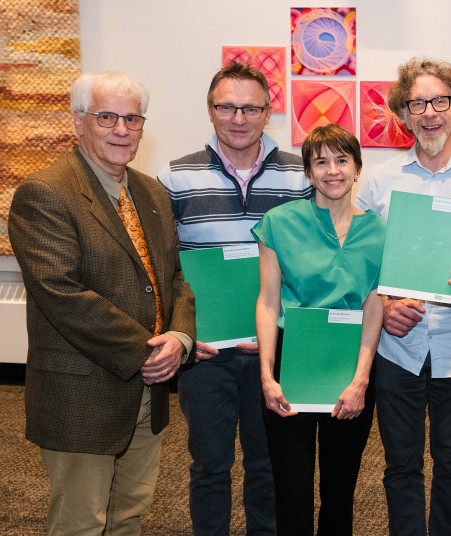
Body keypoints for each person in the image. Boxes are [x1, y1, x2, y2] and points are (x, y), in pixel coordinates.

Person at [8, 71, 196, 534]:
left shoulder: (150, 192)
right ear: (78, 122)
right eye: (107, 116)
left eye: (132, 119)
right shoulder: (46, 193)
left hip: (148, 388)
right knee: (81, 522)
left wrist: (180, 337)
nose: (121, 129)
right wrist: (146, 351)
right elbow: (62, 291)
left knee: (130, 515)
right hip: (82, 392)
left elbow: (175, 275)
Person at [157, 62, 311, 535]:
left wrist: (285, 326)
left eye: (250, 108)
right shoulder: (175, 177)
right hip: (206, 353)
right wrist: (179, 331)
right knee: (210, 466)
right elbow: (160, 265)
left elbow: (313, 260)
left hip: (274, 350)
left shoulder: (301, 176)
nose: (238, 118)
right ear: (210, 110)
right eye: (227, 106)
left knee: (269, 466)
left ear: (269, 113)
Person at [354, 57, 451, 536]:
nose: (429, 112)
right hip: (397, 344)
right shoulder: (378, 181)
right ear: (402, 114)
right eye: (416, 103)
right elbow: (361, 263)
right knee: (400, 465)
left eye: (440, 100)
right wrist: (387, 306)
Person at [253, 124, 384, 535]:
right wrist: (266, 376)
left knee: (340, 487)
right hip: (293, 360)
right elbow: (268, 301)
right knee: (291, 488)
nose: (332, 170)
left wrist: (362, 380)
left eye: (342, 160)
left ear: (357, 167)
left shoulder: (379, 230)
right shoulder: (279, 222)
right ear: (308, 171)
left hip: (351, 362)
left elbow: (374, 304)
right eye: (320, 161)